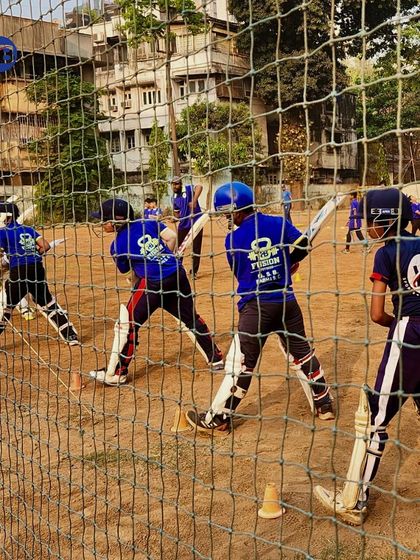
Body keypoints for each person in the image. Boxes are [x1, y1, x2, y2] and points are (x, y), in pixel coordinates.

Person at [186, 182, 335, 434]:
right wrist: (287, 263)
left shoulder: (233, 239)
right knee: (301, 352)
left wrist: (278, 266)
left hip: (256, 308)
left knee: (242, 363)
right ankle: (325, 405)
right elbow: (303, 245)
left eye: (227, 213)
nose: (227, 218)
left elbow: (241, 272)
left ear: (237, 211)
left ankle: (218, 418)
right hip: (286, 301)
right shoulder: (278, 223)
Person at [314, 188, 420, 525]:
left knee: (376, 417)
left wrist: (397, 324)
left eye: (369, 220)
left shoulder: (386, 254)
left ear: (381, 221)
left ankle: (353, 500)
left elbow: (376, 313)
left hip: (409, 333)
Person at [89, 198, 223, 386]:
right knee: (190, 318)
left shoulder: (117, 246)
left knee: (127, 324)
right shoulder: (148, 222)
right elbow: (172, 238)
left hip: (152, 284)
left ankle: (116, 373)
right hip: (177, 275)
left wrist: (140, 278)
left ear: (116, 221)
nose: (102, 223)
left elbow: (130, 275)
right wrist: (163, 259)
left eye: (104, 220)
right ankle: (216, 358)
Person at [0, 203, 79, 345]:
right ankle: (70, 335)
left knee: (7, 307)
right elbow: (46, 245)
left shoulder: (3, 232)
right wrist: (31, 254)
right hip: (36, 267)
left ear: (6, 216)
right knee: (47, 302)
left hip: (19, 270)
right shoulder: (28, 229)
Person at [171, 176, 203, 280]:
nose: (175, 186)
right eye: (173, 184)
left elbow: (199, 187)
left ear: (180, 184)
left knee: (196, 248)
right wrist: (174, 218)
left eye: (177, 184)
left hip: (196, 222)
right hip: (183, 225)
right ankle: (178, 269)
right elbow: (177, 214)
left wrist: (194, 201)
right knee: (180, 248)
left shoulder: (189, 189)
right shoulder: (174, 198)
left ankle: (194, 272)